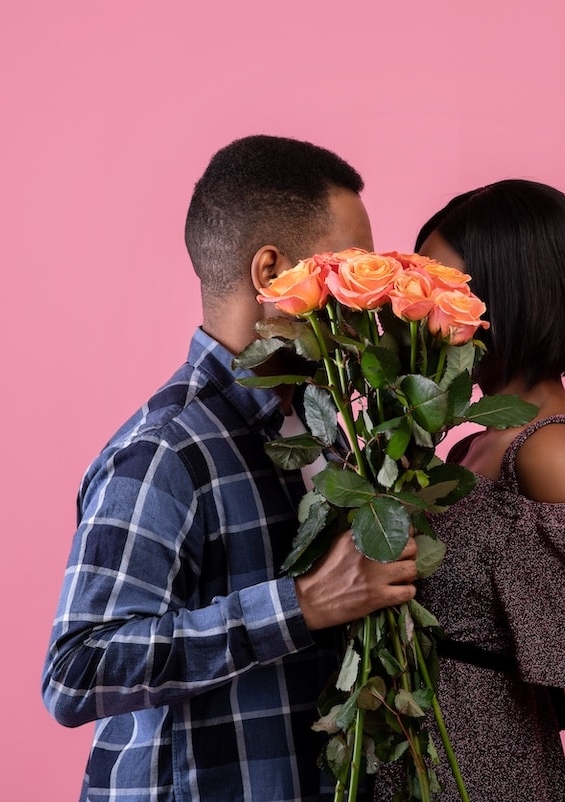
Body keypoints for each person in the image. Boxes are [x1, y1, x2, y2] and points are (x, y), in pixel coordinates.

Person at [42, 135, 420, 802]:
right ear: (271, 272)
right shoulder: (164, 450)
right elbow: (76, 672)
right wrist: (298, 606)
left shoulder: (324, 430)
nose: (367, 296)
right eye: (350, 268)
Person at [377, 180, 565, 802]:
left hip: (491, 781)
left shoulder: (552, 451)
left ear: (508, 292)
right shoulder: (474, 443)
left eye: (441, 284)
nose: (417, 305)